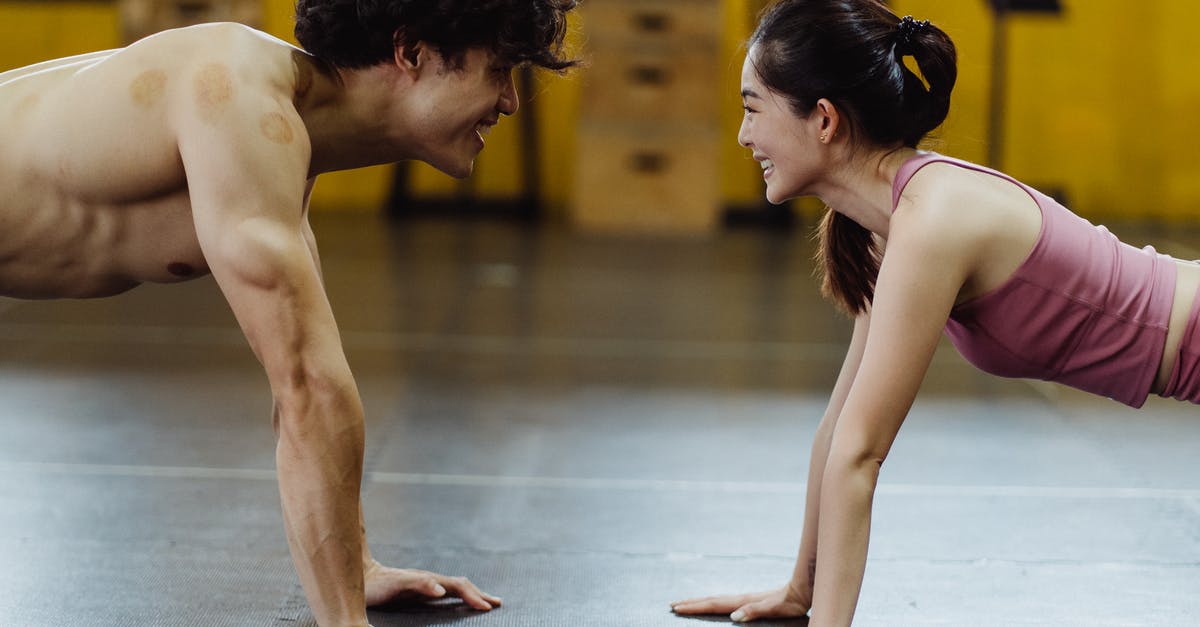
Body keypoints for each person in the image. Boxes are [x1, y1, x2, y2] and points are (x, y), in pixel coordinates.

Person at [0, 1, 576, 625]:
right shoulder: (238, 100)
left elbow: (308, 385)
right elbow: (309, 386)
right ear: (412, 53)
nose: (510, 102)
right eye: (499, 71)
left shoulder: (280, 131)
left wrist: (354, 573)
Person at [669, 0, 1200, 624]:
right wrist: (801, 591)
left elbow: (859, 455)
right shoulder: (892, 224)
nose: (743, 135)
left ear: (824, 119)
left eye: (753, 109)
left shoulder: (932, 219)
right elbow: (841, 428)